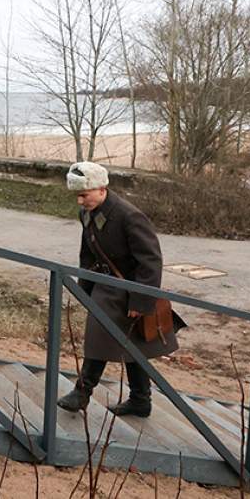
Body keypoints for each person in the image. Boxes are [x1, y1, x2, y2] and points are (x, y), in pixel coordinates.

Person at [56, 162, 184, 417]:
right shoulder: (88, 212)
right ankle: (140, 400)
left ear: (101, 189)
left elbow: (151, 261)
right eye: (78, 196)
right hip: (106, 288)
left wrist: (140, 301)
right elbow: (88, 253)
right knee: (132, 346)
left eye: (84, 195)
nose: (80, 201)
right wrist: (85, 288)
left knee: (102, 336)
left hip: (130, 289)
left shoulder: (129, 216)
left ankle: (82, 392)